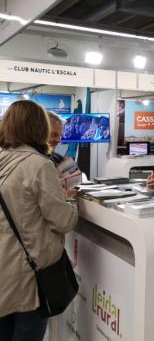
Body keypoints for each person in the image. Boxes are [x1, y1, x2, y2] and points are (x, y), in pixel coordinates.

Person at [0, 100, 78, 341]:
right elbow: (63, 220)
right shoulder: (38, 165)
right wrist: (71, 203)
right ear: (39, 127)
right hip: (28, 277)